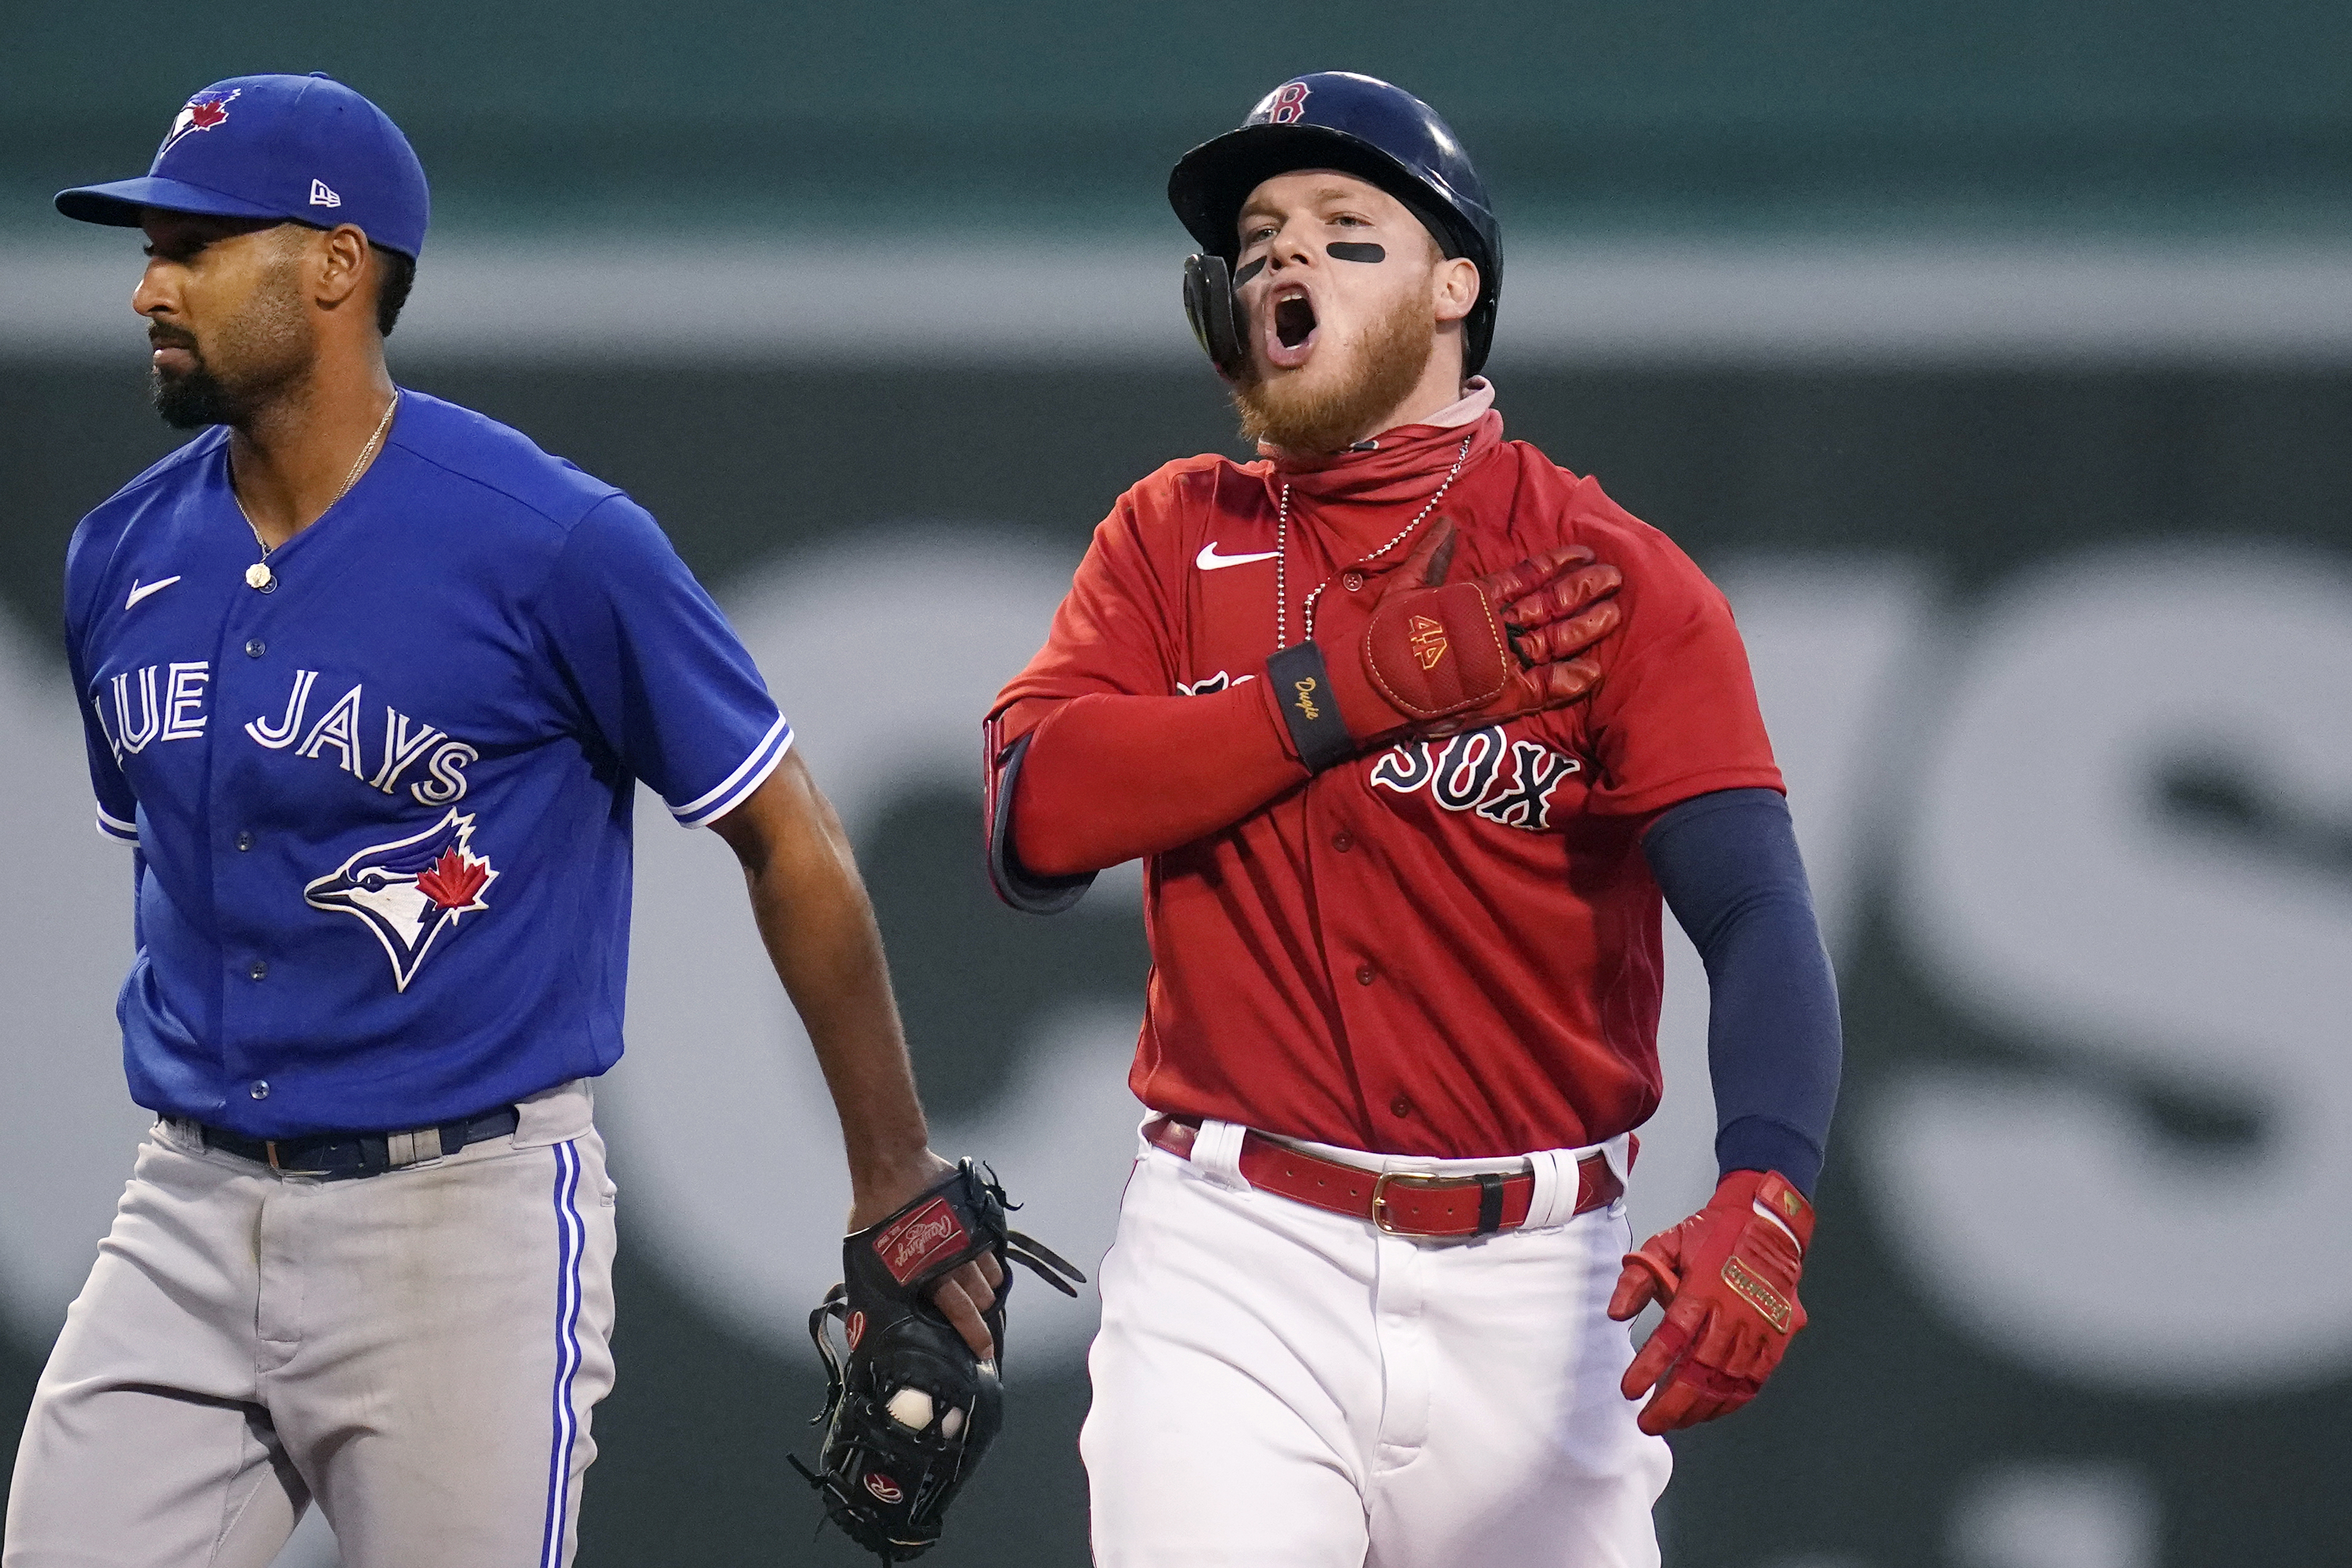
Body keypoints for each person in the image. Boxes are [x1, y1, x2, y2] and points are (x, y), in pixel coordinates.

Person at [7, 72, 998, 1568]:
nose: (152, 281)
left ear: (338, 268)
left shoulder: (551, 544)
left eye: (199, 244)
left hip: (453, 1222)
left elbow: (789, 834)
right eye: (151, 244)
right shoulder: (119, 556)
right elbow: (181, 878)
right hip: (187, 1209)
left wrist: (888, 1168)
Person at [983, 72, 1843, 1567]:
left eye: (1340, 227)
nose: (1283, 261)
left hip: (1542, 1282)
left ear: (1457, 285)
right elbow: (1034, 823)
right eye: (1256, 240)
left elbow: (1755, 909)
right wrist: (1346, 690)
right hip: (1236, 1256)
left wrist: (1766, 1186)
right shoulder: (1180, 535)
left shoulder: (1601, 572)